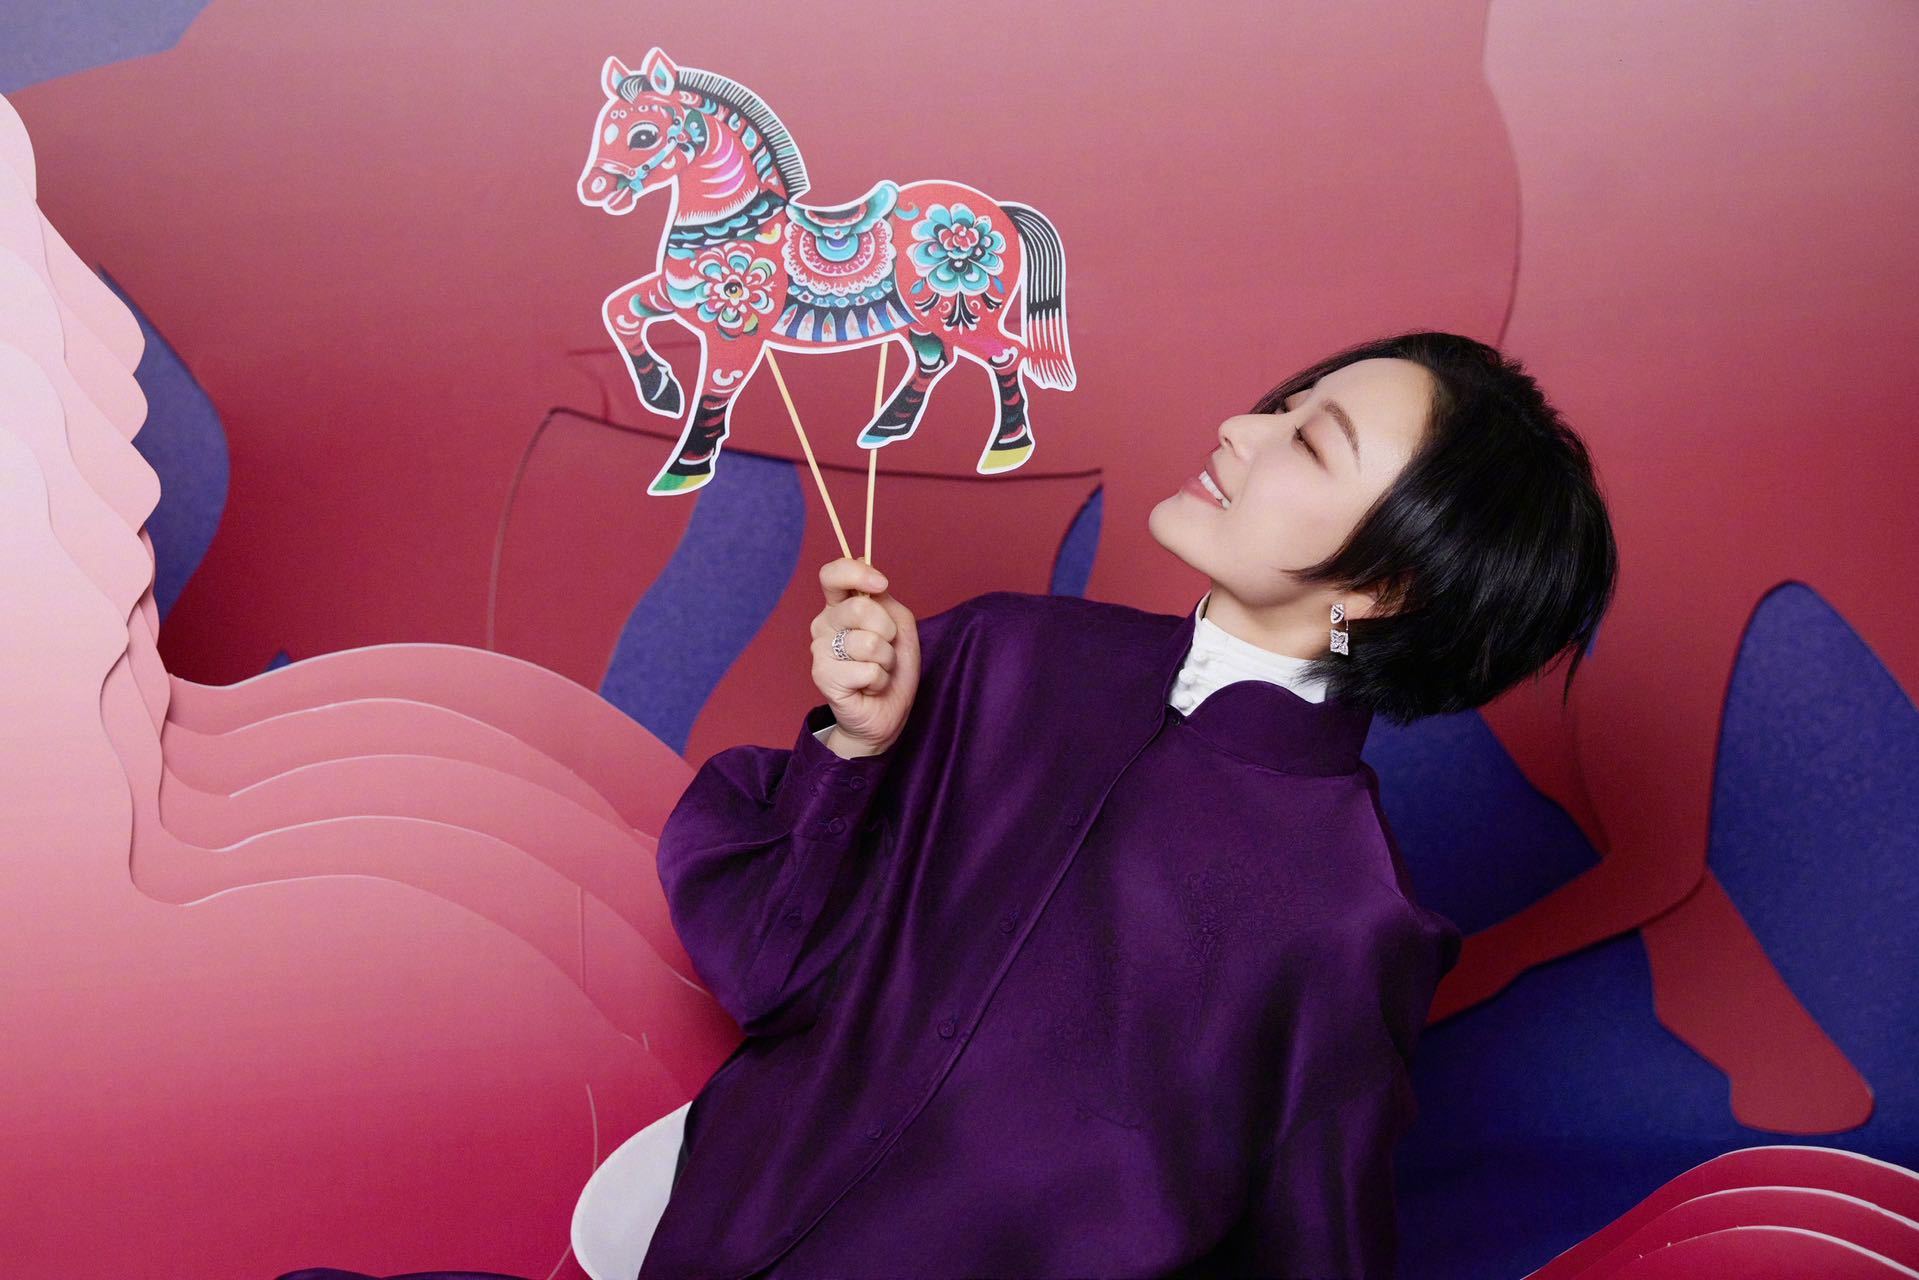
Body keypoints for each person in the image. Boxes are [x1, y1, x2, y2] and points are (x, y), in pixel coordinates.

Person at [290, 329, 1616, 1279]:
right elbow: (771, 962)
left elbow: (1313, 1242)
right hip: (709, 1222)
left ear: (1386, 589)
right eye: (1284, 402)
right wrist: (856, 751)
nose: (1241, 428)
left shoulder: (1348, 913)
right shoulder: (1001, 653)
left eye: (1308, 443)